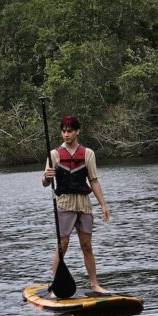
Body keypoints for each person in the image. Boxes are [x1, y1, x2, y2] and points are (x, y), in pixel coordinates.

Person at [42, 114, 110, 296]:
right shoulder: (54, 155)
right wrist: (47, 176)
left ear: (77, 131)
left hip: (84, 204)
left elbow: (94, 181)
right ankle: (56, 286)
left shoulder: (88, 154)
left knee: (87, 245)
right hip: (65, 203)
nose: (66, 134)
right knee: (63, 243)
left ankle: (94, 284)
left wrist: (103, 204)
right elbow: (45, 183)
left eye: (70, 131)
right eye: (63, 131)